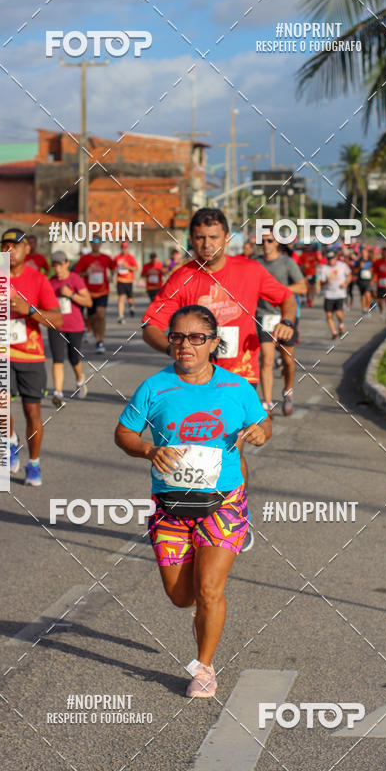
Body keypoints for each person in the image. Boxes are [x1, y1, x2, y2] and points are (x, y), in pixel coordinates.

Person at [116, 304, 271, 698]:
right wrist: (149, 451)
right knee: (181, 597)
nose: (186, 345)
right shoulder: (154, 387)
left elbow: (263, 424)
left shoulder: (236, 388)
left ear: (214, 343)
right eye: (178, 337)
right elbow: (123, 434)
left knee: (209, 590)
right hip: (169, 508)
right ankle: (199, 625)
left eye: (197, 337)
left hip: (224, 503)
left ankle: (204, 668)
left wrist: (258, 432)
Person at [142, 207, 296, 553]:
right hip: (192, 380)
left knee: (232, 448)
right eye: (199, 238)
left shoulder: (250, 270)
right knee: (196, 448)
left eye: (213, 237)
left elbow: (286, 297)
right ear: (190, 240)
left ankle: (235, 517)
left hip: (239, 376)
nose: (206, 244)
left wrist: (288, 321)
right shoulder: (181, 277)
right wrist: (175, 350)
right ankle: (190, 516)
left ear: (227, 238)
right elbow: (150, 325)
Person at [0, 228, 62, 486]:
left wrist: (31, 310)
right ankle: (11, 441)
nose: (9, 250)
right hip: (0, 352)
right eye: (5, 245)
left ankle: (33, 463)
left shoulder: (38, 280)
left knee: (32, 412)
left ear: (27, 249)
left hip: (31, 356)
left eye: (15, 245)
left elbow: (57, 320)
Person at [255, 231, 308, 416]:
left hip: (285, 316)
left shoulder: (287, 262)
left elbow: (302, 286)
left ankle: (288, 390)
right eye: (263, 240)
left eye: (270, 240)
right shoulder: (255, 263)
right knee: (267, 360)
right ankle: (268, 403)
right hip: (263, 316)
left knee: (287, 359)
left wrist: (278, 291)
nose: (266, 243)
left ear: (277, 242)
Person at [48, 250, 92, 407]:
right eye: (55, 265)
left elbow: (88, 302)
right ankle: (58, 393)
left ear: (67, 263)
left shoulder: (75, 279)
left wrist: (71, 295)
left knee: (74, 357)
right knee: (57, 358)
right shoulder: (50, 282)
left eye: (60, 265)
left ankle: (80, 379)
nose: (57, 268)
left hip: (75, 326)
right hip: (56, 325)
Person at [73, 237, 114, 354]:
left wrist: (111, 276)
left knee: (100, 315)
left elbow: (113, 268)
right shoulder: (85, 258)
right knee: (91, 317)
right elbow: (76, 274)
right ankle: (90, 330)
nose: (95, 244)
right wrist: (86, 272)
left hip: (103, 291)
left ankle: (99, 341)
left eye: (97, 242)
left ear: (100, 243)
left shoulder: (106, 258)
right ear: (90, 244)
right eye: (93, 242)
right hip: (88, 293)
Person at [317, 250, 351, 338]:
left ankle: (341, 324)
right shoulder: (323, 268)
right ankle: (334, 332)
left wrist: (346, 284)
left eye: (332, 258)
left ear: (336, 258)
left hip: (340, 293)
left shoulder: (342, 265)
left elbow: (350, 275)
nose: (331, 260)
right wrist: (326, 281)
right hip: (328, 294)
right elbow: (321, 283)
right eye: (329, 259)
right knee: (329, 314)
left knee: (339, 313)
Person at [115, 241, 139, 322]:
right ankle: (121, 316)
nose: (124, 249)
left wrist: (127, 266)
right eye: (122, 247)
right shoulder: (117, 257)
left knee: (130, 299)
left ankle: (131, 306)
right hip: (120, 280)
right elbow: (114, 268)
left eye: (125, 247)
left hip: (129, 281)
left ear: (127, 248)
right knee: (121, 298)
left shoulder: (131, 257)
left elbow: (136, 268)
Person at [353, 245, 374, 313]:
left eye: (365, 252)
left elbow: (374, 270)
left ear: (367, 253)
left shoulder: (371, 260)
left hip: (368, 280)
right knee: (362, 295)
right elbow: (355, 271)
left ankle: (368, 307)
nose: (363, 254)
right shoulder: (359, 261)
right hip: (360, 280)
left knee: (367, 294)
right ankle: (364, 308)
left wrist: (373, 279)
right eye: (362, 253)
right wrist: (359, 267)